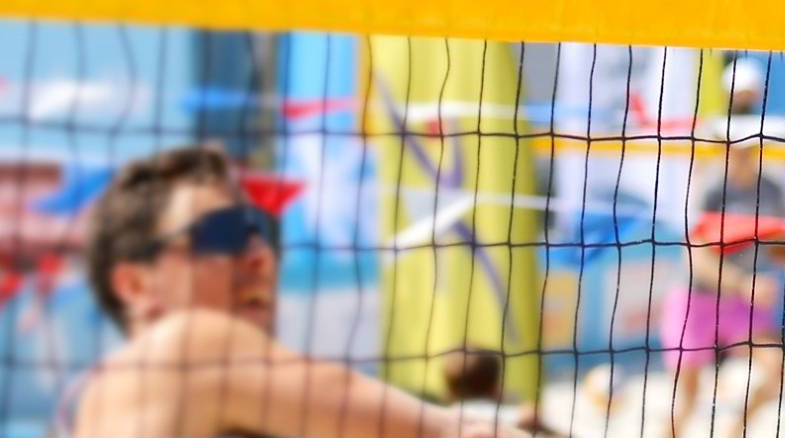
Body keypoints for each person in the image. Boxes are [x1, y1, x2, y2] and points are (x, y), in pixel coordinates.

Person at [63, 144, 525, 438]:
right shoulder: (184, 349)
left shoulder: (94, 404)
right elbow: (451, 433)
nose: (261, 253)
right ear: (136, 285)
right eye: (223, 232)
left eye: (260, 229)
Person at [657, 122, 785, 438]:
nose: (736, 154)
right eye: (731, 147)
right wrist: (743, 283)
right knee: (687, 399)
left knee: (775, 368)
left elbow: (778, 252)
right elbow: (696, 257)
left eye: (743, 147)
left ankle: (734, 433)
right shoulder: (711, 190)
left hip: (741, 301)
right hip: (697, 298)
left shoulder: (772, 191)